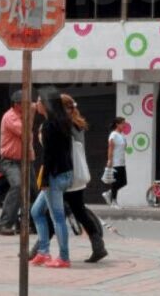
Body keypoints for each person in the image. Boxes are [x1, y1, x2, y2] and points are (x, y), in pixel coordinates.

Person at [29, 87, 74, 268]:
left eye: (38, 101)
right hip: (64, 174)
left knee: (58, 217)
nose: (36, 104)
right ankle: (44, 252)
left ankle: (63, 257)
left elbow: (48, 156)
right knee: (36, 212)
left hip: (54, 177)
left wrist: (45, 179)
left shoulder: (49, 126)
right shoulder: (62, 122)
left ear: (45, 104)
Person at [61, 94, 108, 263]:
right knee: (79, 211)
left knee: (50, 212)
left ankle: (39, 249)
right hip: (78, 176)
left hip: (67, 174)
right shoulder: (78, 123)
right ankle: (98, 246)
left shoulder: (67, 125)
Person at [0, 90, 33, 236]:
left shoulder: (23, 116)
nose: (29, 106)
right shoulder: (10, 117)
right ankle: (4, 224)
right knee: (18, 186)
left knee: (35, 191)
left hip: (26, 161)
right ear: (17, 105)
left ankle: (26, 224)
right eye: (26, 104)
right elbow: (26, 133)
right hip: (10, 162)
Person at [102, 117, 128, 208]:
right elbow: (110, 148)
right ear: (117, 124)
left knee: (123, 182)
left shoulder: (121, 135)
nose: (124, 125)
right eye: (122, 123)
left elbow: (123, 148)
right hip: (115, 162)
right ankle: (114, 202)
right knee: (116, 182)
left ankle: (108, 193)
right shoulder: (113, 135)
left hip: (121, 162)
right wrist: (109, 160)